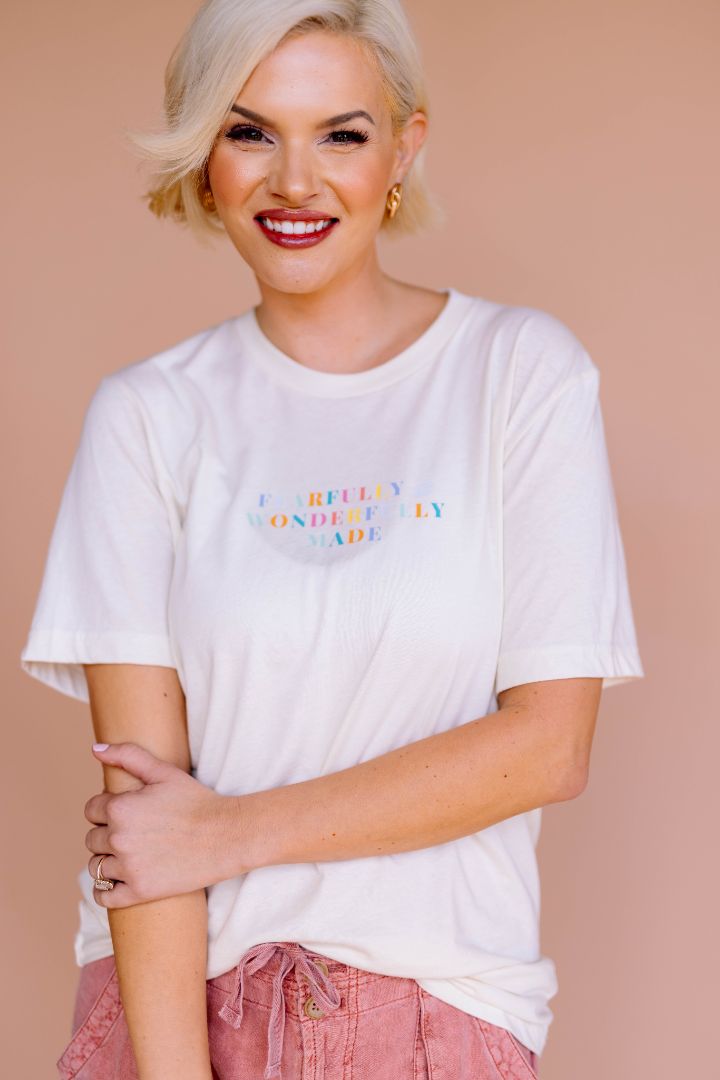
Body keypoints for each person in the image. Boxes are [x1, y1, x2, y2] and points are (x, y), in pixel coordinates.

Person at [20, 1, 645, 1078]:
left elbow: (549, 746)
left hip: (438, 1017)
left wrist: (230, 832)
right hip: (174, 1010)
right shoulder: (149, 415)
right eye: (250, 131)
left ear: (403, 148)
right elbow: (146, 817)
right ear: (204, 158)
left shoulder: (518, 374)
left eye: (341, 134)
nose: (295, 181)